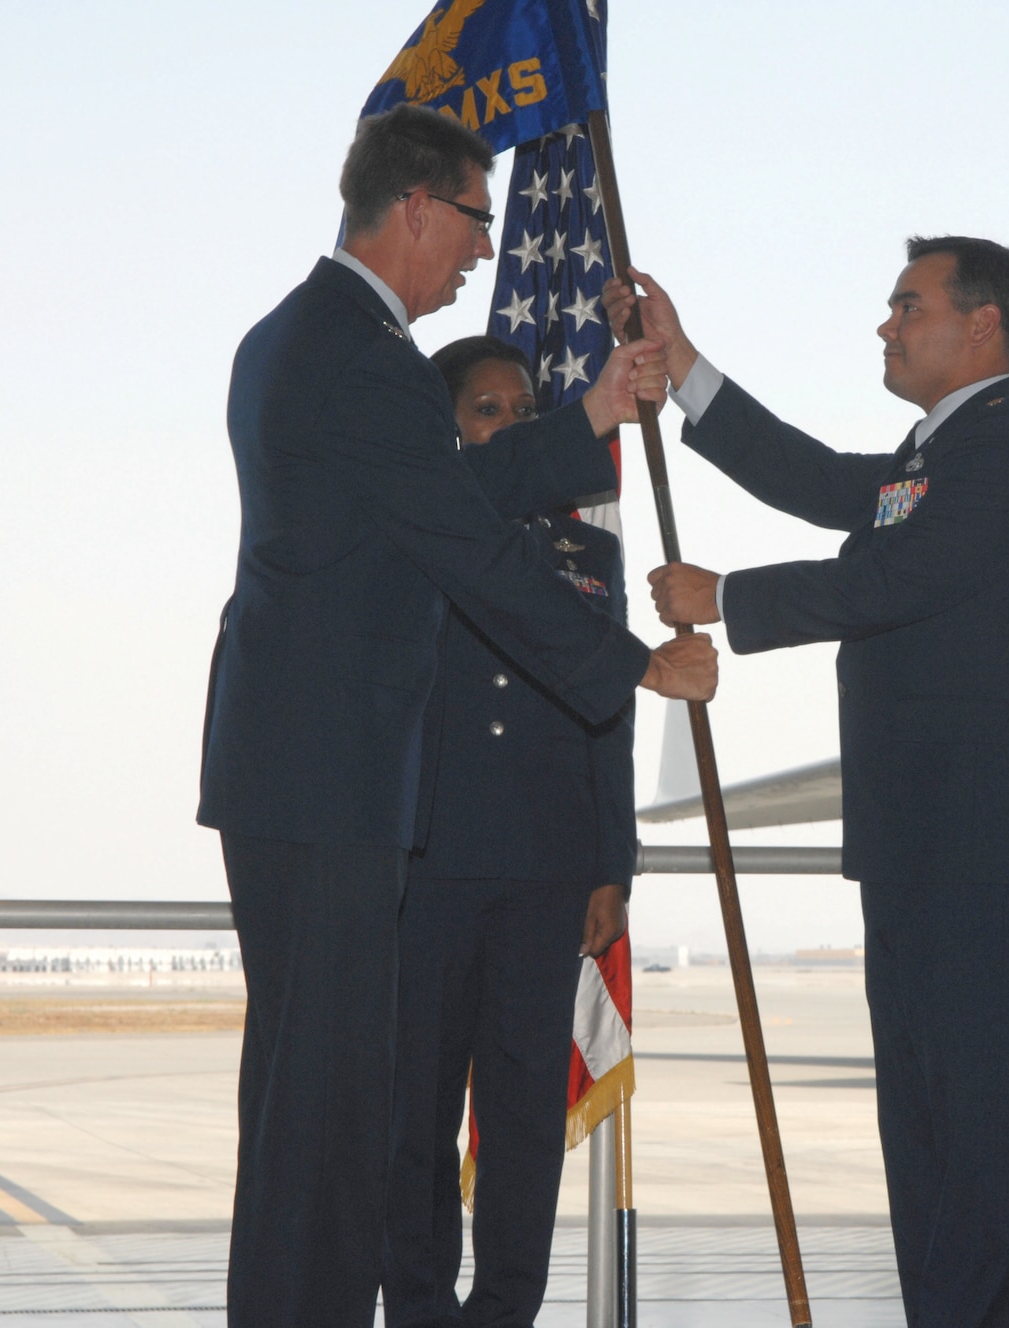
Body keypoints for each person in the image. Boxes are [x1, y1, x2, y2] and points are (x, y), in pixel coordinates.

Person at [197, 104, 714, 1328]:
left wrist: (584, 420)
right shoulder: (366, 359)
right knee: (325, 1127)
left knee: (301, 1113)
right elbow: (471, 552)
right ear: (418, 206)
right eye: (475, 220)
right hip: (328, 782)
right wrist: (637, 666)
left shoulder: (294, 338)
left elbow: (435, 495)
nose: (483, 252)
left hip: (294, 774)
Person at [606, 239, 1009, 1327]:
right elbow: (818, 479)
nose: (884, 326)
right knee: (925, 1147)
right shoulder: (935, 459)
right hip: (924, 852)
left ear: (981, 325)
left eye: (906, 305)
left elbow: (894, 578)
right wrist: (685, 367)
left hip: (992, 858)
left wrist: (724, 597)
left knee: (976, 1153)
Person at [384, 336, 633, 1328]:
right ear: (447, 427)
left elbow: (607, 711)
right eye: (487, 410)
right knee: (416, 1115)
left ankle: (502, 1311)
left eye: (523, 409)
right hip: (428, 867)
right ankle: (415, 1307)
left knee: (524, 1117)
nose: (511, 423)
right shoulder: (411, 533)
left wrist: (611, 861)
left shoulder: (588, 554)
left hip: (545, 871)